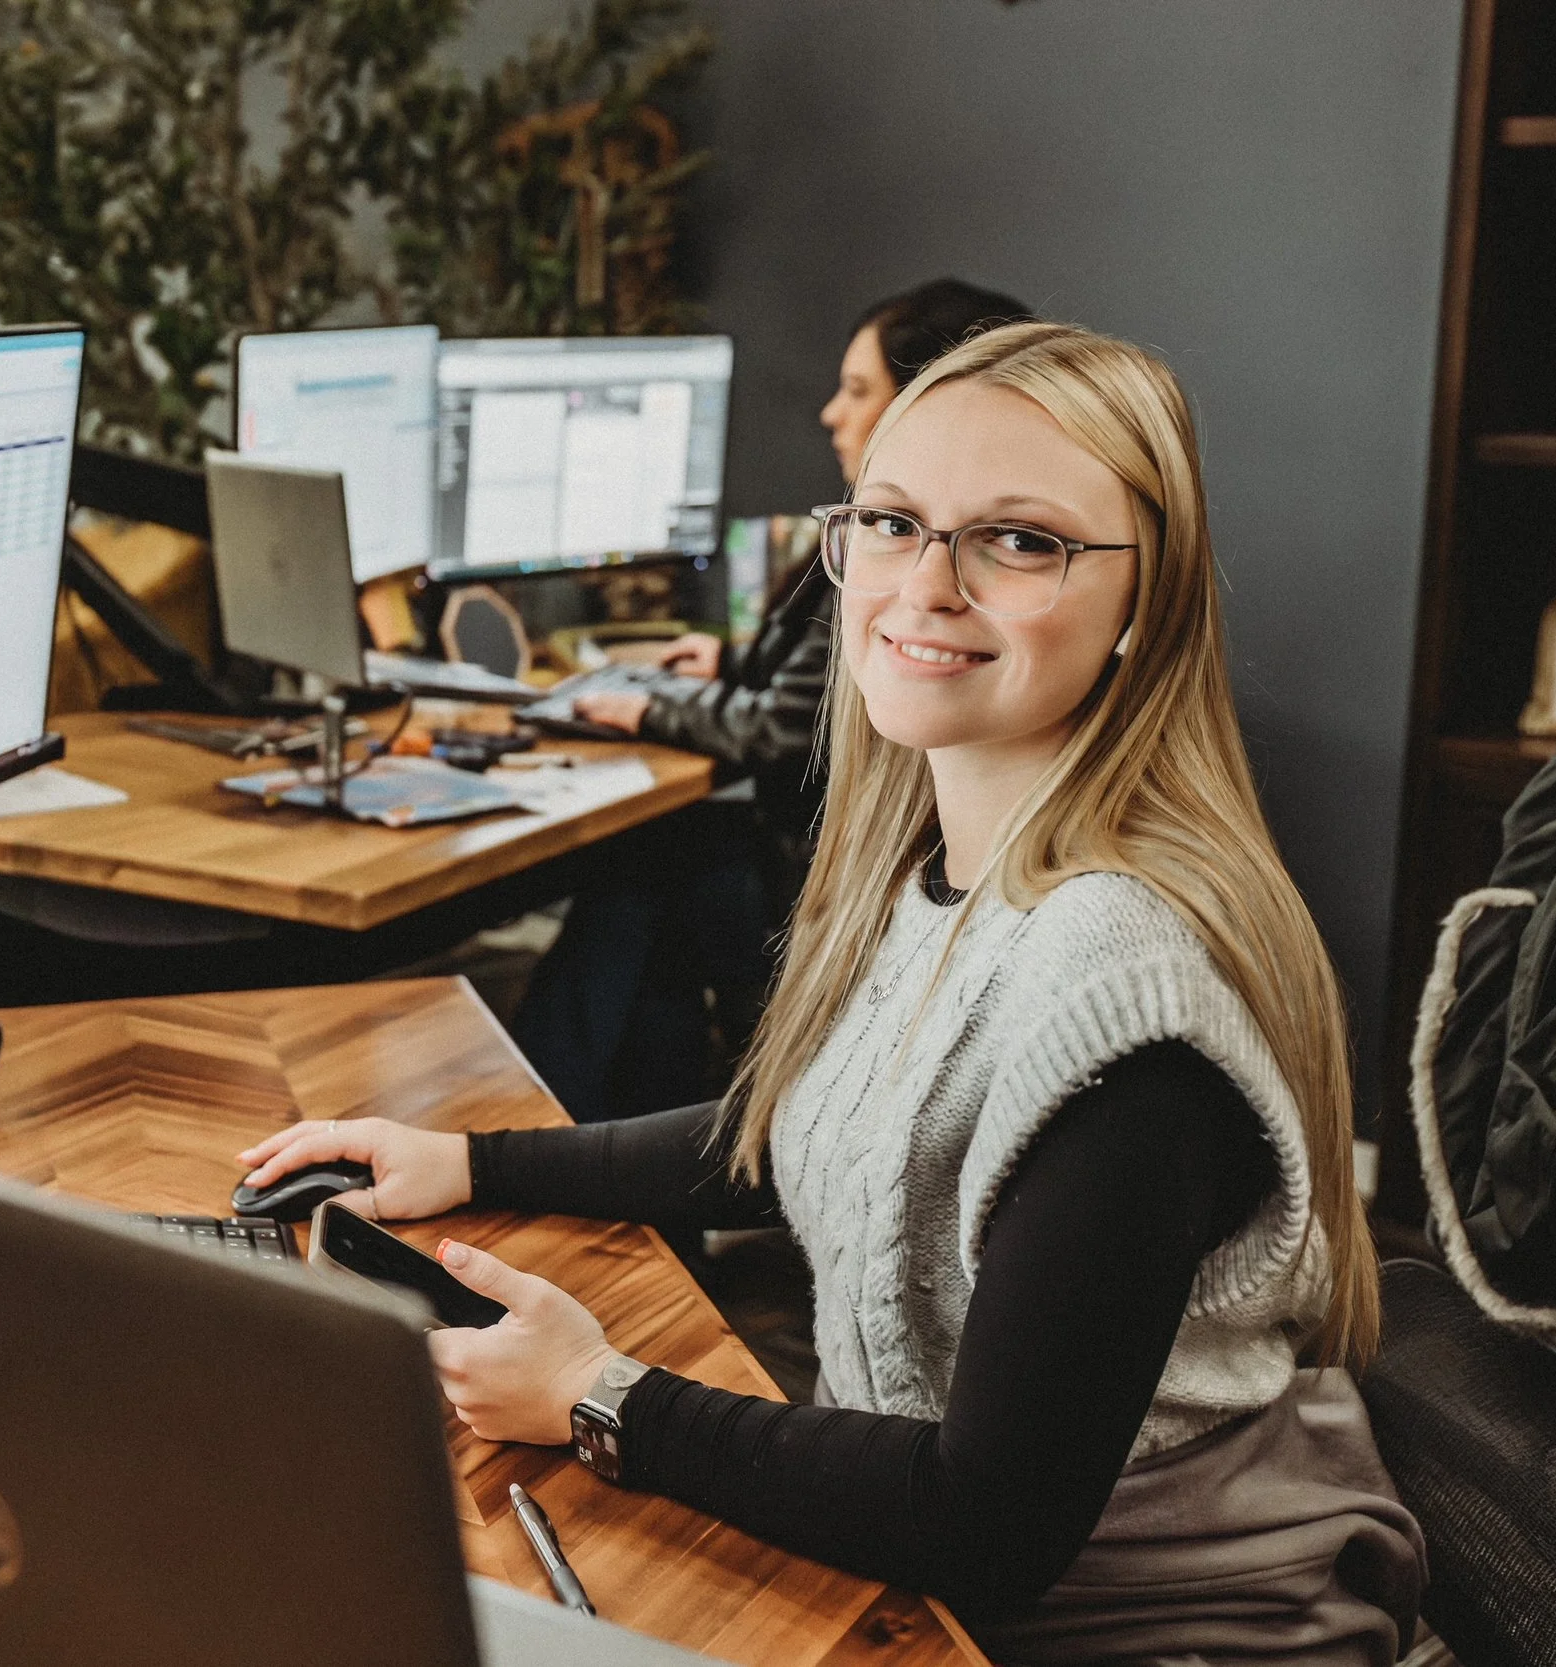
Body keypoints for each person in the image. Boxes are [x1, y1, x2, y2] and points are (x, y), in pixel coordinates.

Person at [241, 321, 1425, 1661]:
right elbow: (825, 1133)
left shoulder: (1123, 996)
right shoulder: (943, 861)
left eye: (1021, 539)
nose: (927, 583)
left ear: (1146, 600)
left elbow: (992, 1523)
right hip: (930, 1566)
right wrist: (467, 1156)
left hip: (1141, 1624)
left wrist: (598, 1390)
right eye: (893, 521)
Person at [513, 278, 1032, 1124]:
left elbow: (796, 731)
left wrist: (646, 708)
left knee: (642, 875)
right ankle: (637, 1166)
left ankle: (543, 1123)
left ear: (928, 402)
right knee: (653, 950)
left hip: (833, 885)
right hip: (856, 872)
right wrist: (729, 659)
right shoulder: (883, 539)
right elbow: (825, 690)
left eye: (858, 390)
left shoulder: (900, 559)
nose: (832, 412)